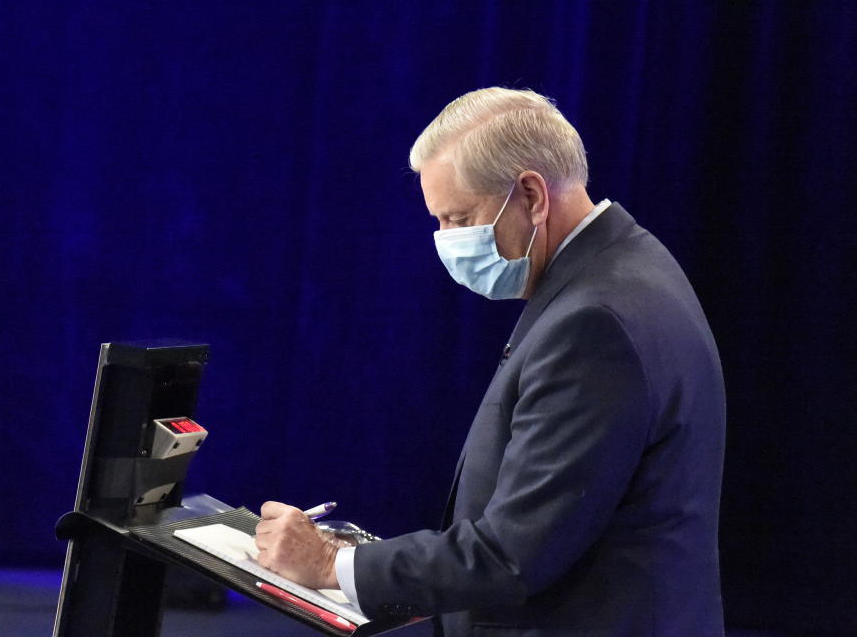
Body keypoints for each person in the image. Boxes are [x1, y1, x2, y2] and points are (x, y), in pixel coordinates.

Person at [255, 87, 726, 636]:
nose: (446, 240)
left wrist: (329, 564)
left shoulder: (595, 322)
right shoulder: (630, 264)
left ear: (532, 194)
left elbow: (513, 554)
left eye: (459, 218)